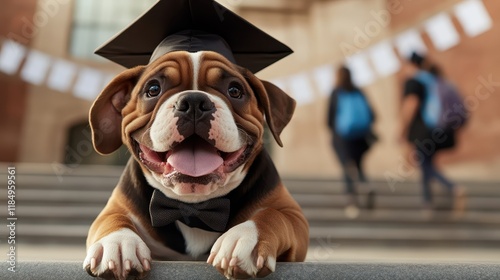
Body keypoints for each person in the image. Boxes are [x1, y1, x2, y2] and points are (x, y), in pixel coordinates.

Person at [398, 52, 466, 216]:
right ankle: (427, 202)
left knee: (424, 164)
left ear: (412, 65)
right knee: (426, 163)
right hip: (441, 130)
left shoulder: (414, 81)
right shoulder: (434, 79)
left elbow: (411, 104)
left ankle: (452, 188)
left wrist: (402, 128)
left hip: (423, 131)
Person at [327, 65, 377, 219]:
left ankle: (352, 203)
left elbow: (329, 118)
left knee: (347, 167)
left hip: (342, 138)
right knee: (359, 165)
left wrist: (334, 131)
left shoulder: (336, 92)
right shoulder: (358, 91)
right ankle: (365, 185)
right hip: (360, 138)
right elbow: (372, 114)